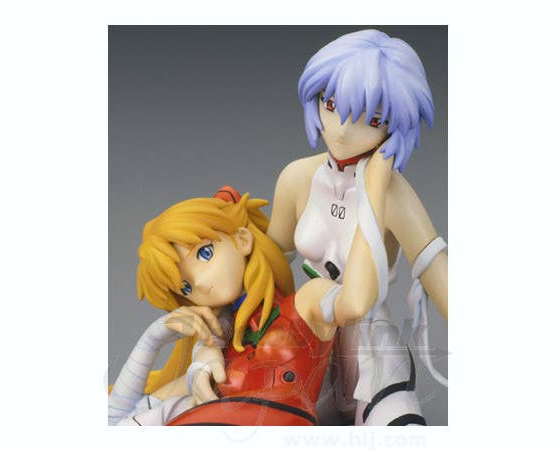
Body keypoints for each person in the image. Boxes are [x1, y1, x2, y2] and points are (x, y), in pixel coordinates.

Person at [266, 29, 448, 426]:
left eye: (374, 119)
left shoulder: (393, 194)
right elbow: (269, 270)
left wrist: (376, 187)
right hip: (306, 344)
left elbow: (439, 275)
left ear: (395, 126)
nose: (343, 129)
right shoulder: (297, 178)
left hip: (372, 353)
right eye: (330, 104)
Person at [108, 187, 383, 426]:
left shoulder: (305, 303)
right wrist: (154, 338)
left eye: (205, 253)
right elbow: (115, 417)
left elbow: (356, 303)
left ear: (242, 239)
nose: (200, 282)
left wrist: (373, 190)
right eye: (186, 288)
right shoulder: (216, 348)